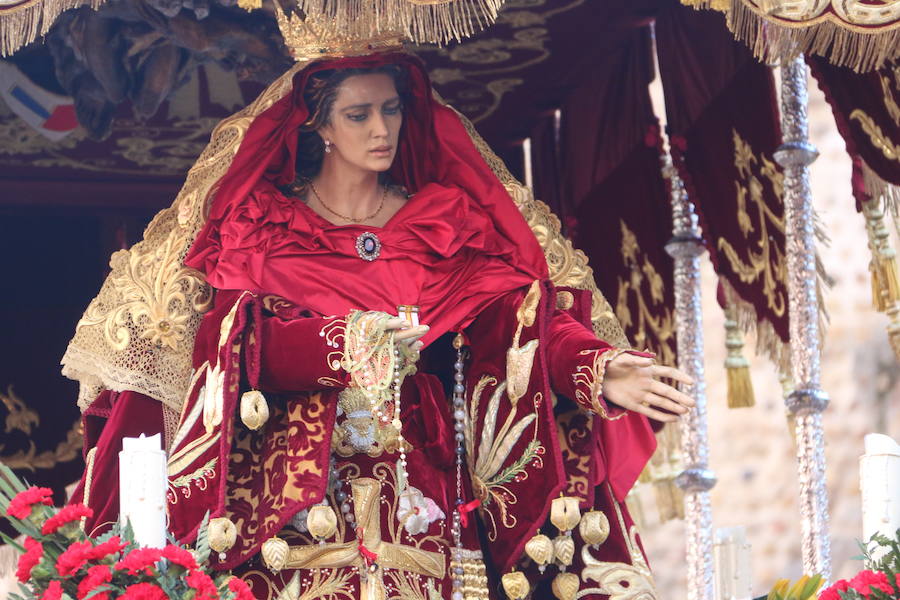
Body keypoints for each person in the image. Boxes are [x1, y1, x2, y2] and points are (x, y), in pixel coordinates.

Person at [68, 49, 694, 600]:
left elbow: (515, 325)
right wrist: (343, 344)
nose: (381, 130)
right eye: (358, 115)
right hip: (294, 505)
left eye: (391, 110)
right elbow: (234, 343)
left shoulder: (441, 226)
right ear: (319, 126)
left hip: (424, 494)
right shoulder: (265, 228)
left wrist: (594, 366)